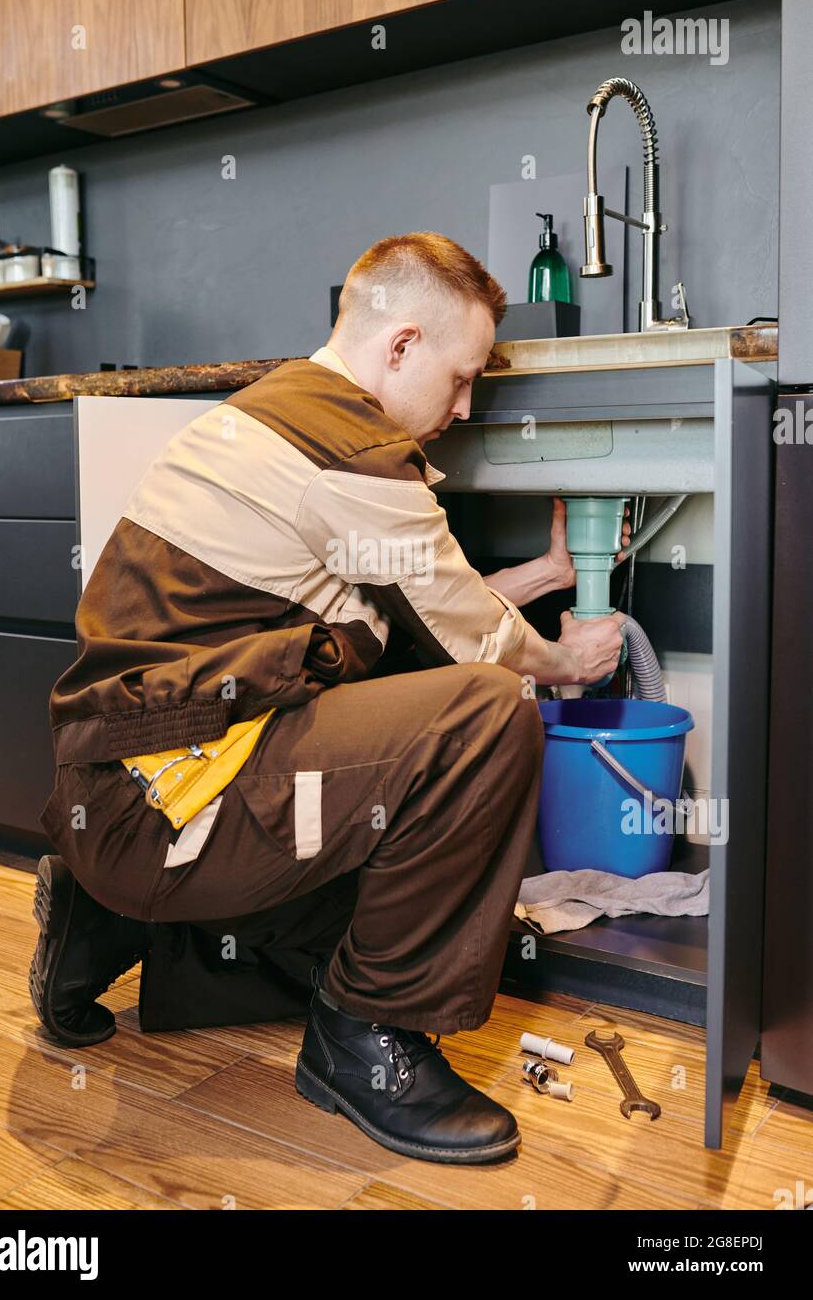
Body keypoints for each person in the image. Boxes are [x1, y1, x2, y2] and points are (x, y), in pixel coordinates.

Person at [31, 232, 627, 1165]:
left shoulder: (280, 416)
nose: (465, 407)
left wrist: (534, 579)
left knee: (408, 903)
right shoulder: (351, 449)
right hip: (165, 809)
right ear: (400, 347)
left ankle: (104, 919)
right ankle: (366, 1042)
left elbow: (402, 610)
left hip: (117, 790)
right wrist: (564, 663)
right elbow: (466, 644)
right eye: (462, 377)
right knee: (487, 713)